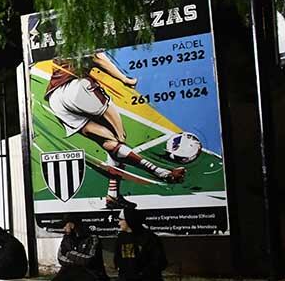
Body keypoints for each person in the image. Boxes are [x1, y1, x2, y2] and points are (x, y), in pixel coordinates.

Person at [44, 53, 185, 209]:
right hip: (78, 89)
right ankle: (162, 173)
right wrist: (126, 80)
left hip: (56, 99)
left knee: (110, 144)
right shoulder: (85, 40)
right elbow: (98, 59)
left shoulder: (63, 46)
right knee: (119, 137)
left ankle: (113, 195)